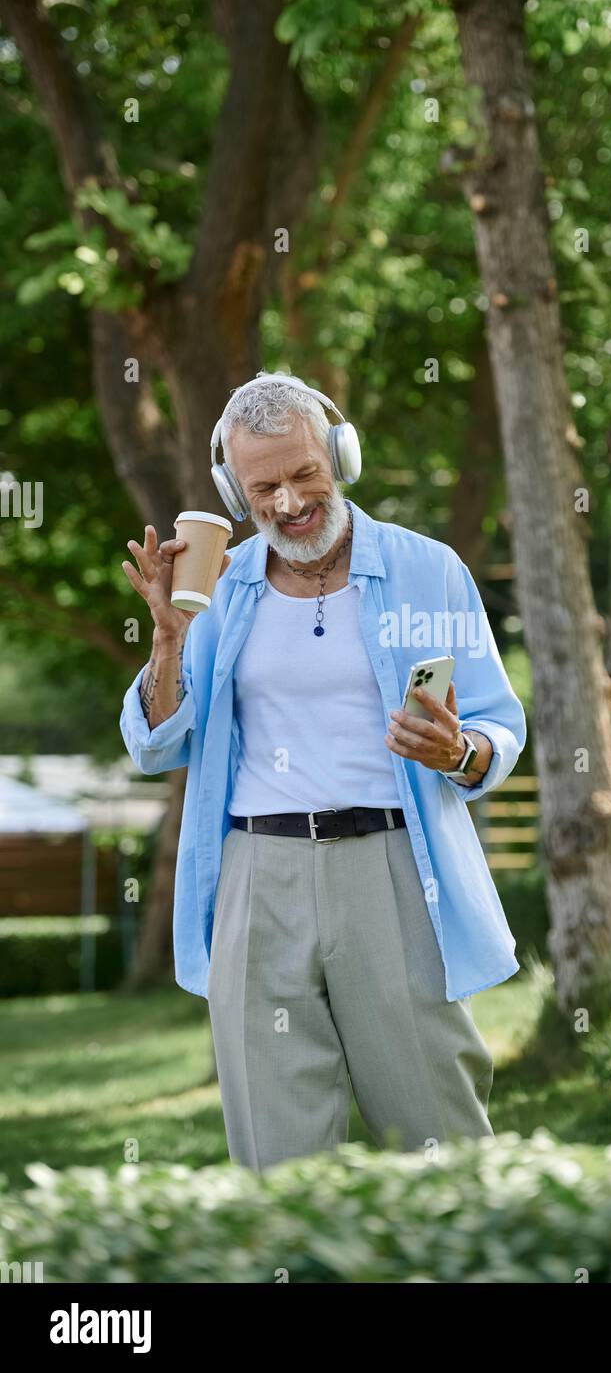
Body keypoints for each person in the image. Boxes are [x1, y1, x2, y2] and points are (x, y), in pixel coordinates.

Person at [119, 372, 527, 1170]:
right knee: (277, 1163)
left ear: (341, 455)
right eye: (262, 485)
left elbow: (495, 723)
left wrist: (458, 752)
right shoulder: (222, 590)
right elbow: (157, 745)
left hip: (393, 869)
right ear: (234, 490)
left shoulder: (426, 569)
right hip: (255, 876)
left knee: (441, 1143)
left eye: (304, 473)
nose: (288, 502)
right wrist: (167, 644)